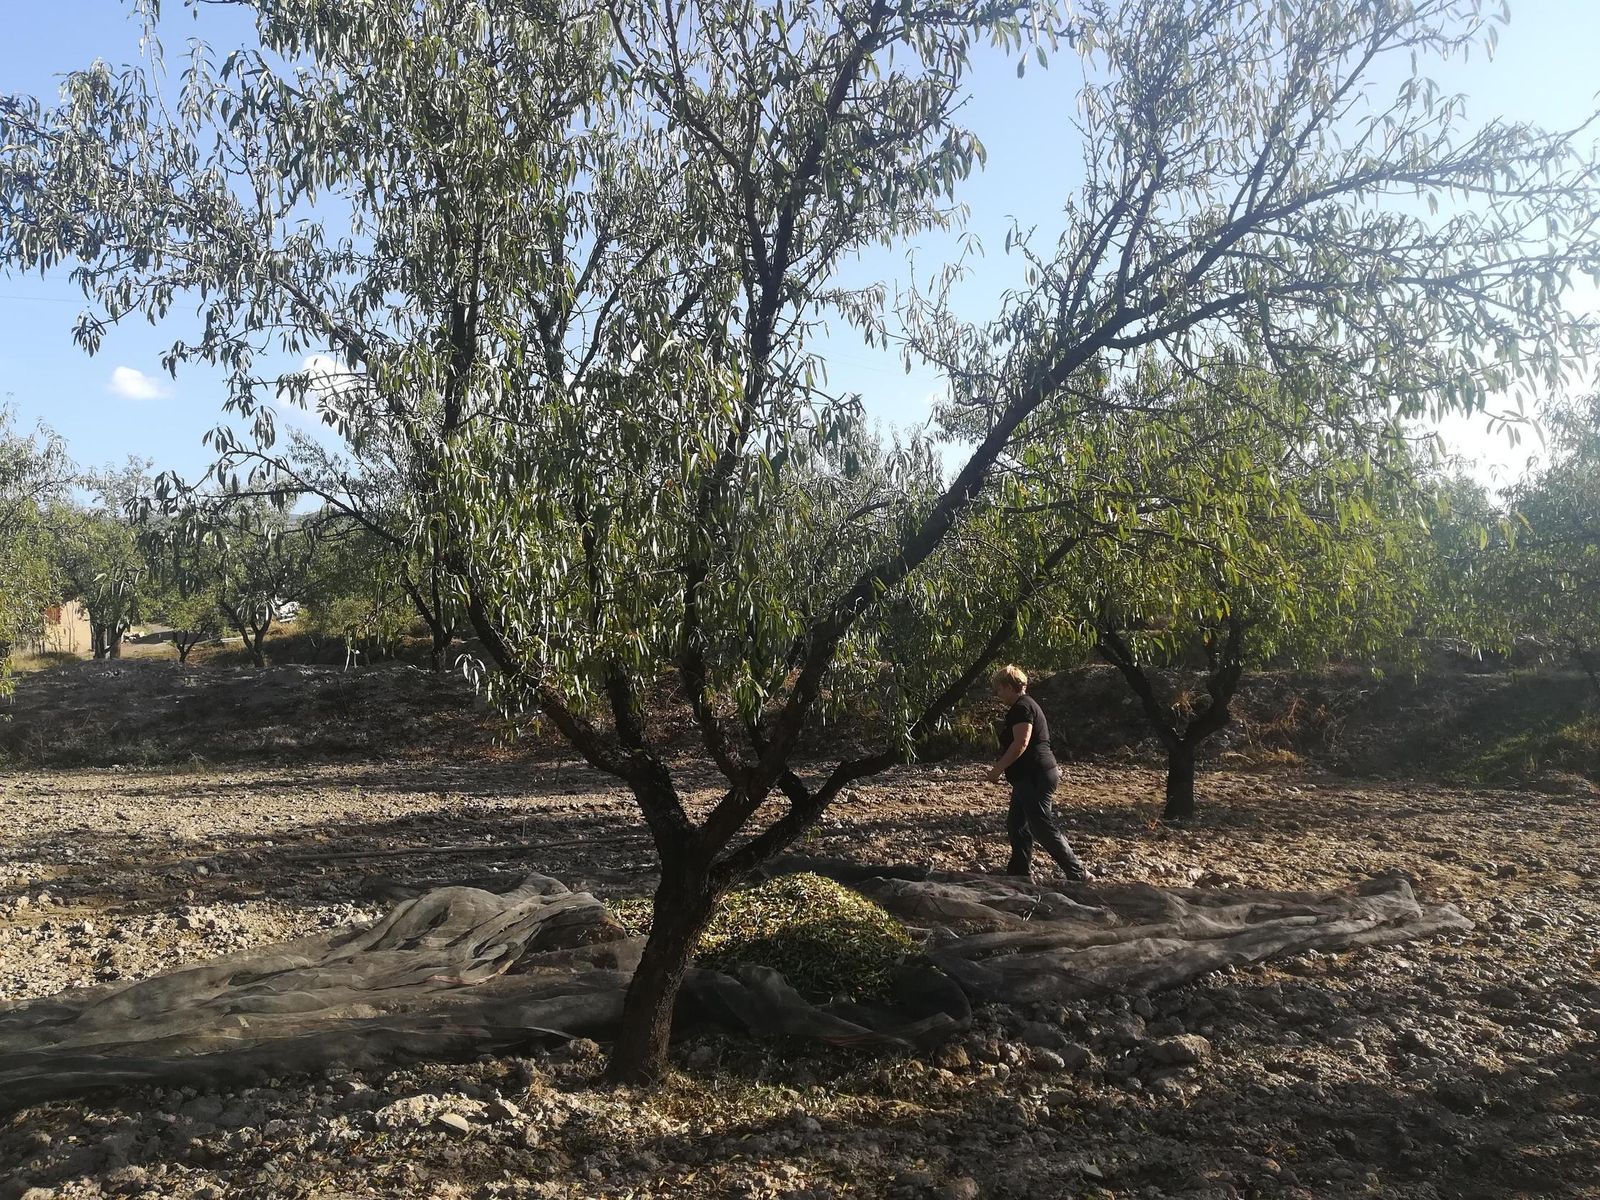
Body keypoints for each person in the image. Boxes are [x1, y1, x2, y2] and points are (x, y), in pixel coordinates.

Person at [985, 664, 1088, 883]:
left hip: (1035, 775)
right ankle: (1019, 872)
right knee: (1016, 824)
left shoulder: (1022, 708)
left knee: (1041, 825)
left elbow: (1020, 743)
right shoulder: (1023, 706)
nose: (999, 694)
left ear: (1010, 686)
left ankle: (1078, 872)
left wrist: (997, 769)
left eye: (1000, 689)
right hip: (1026, 776)